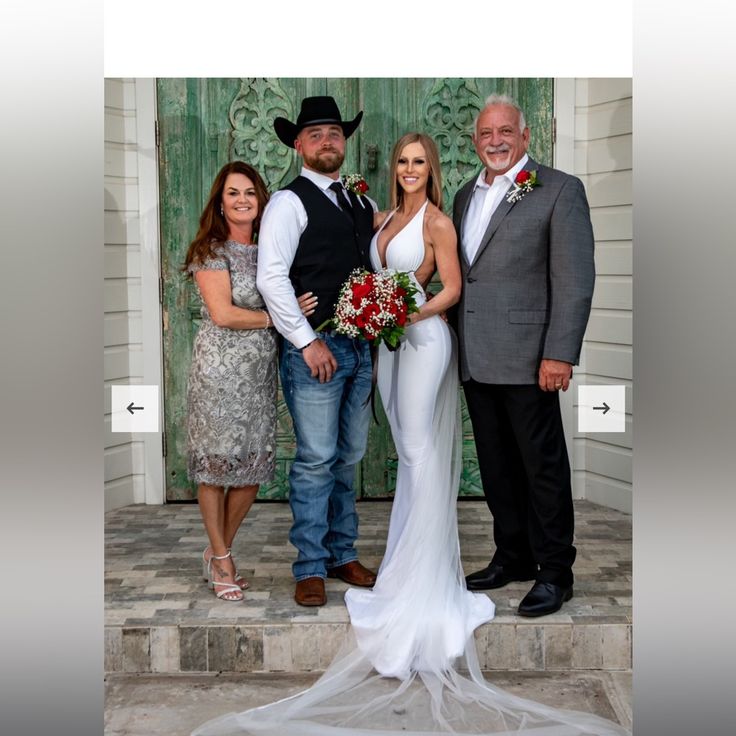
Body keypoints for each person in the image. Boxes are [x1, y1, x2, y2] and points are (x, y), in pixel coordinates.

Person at [191, 134, 627, 736]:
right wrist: (383, 302)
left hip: (420, 340)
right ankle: (390, 561)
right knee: (395, 448)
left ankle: (429, 578)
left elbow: (449, 288)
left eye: (420, 161)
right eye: (402, 160)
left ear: (433, 168)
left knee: (421, 452)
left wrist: (403, 310)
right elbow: (389, 266)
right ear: (393, 167)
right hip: (387, 345)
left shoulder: (443, 218)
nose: (410, 168)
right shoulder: (378, 214)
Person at [452, 94, 596, 617]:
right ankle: (512, 555)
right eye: (486, 133)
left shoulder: (559, 189)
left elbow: (575, 281)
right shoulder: (465, 194)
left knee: (542, 467)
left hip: (530, 356)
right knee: (496, 466)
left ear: (525, 135)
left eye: (505, 132)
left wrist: (559, 353)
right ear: (475, 141)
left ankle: (556, 570)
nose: (495, 141)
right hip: (475, 357)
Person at [256, 96, 377, 607]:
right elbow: (271, 277)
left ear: (343, 142)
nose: (328, 140)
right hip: (317, 352)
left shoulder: (358, 201)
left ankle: (340, 553)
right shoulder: (288, 202)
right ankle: (309, 565)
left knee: (347, 458)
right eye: (316, 134)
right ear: (299, 145)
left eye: (335, 133)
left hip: (361, 347)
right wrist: (306, 341)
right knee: (315, 459)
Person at [184, 161, 317, 602]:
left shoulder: (267, 253)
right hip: (218, 375)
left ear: (261, 202)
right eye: (233, 193)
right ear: (220, 204)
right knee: (215, 466)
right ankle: (222, 557)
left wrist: (289, 306)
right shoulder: (210, 251)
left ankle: (218, 549)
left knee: (251, 469)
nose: (242, 200)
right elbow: (223, 313)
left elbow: (278, 294)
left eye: (250, 193)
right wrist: (278, 319)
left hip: (258, 374)